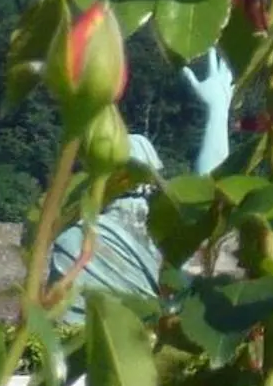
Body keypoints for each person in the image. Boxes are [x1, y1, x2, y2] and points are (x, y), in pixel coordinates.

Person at [46, 50, 232, 314]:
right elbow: (209, 199)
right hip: (149, 348)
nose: (137, 194)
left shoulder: (74, 239)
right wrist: (218, 113)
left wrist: (218, 113)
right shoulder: (167, 242)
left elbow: (208, 201)